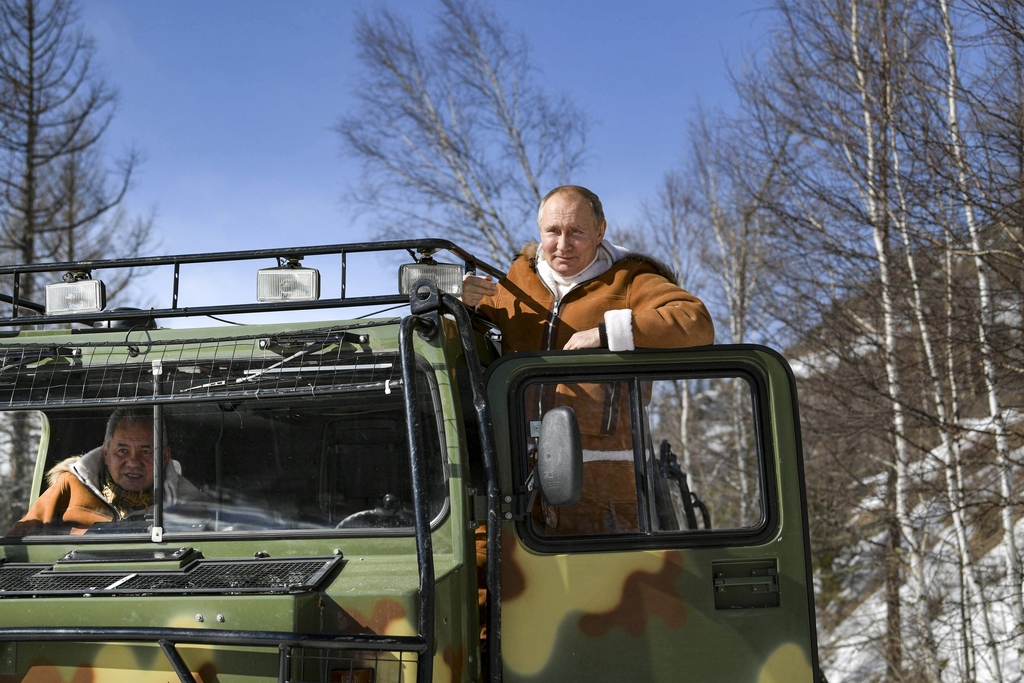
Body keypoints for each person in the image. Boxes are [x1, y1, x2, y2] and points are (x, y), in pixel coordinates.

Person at [463, 184, 714, 534]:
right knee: (486, 565)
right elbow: (464, 344)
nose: (563, 245)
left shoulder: (629, 279)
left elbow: (695, 322)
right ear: (540, 230)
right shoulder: (516, 283)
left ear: (600, 231)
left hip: (605, 491)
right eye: (553, 231)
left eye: (577, 232)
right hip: (518, 487)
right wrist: (464, 302)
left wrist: (608, 333)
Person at [7, 407, 201, 536]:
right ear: (106, 453)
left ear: (164, 457)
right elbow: (17, 547)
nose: (133, 463)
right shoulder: (69, 487)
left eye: (146, 452)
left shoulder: (190, 504)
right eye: (122, 450)